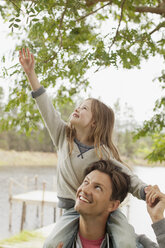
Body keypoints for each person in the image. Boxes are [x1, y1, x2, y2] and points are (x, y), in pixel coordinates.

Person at [19, 48, 148, 248]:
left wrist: (145, 191)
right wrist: (30, 73)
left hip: (104, 208)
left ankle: (141, 241)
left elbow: (126, 175)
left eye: (84, 108)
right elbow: (46, 107)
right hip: (73, 208)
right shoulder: (62, 135)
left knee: (126, 243)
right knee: (51, 244)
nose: (77, 108)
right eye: (79, 105)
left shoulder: (101, 152)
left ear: (95, 123)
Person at [56, 160, 165, 248]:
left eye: (97, 187)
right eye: (86, 182)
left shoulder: (133, 244)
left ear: (113, 205)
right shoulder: (60, 242)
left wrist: (158, 218)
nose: (85, 190)